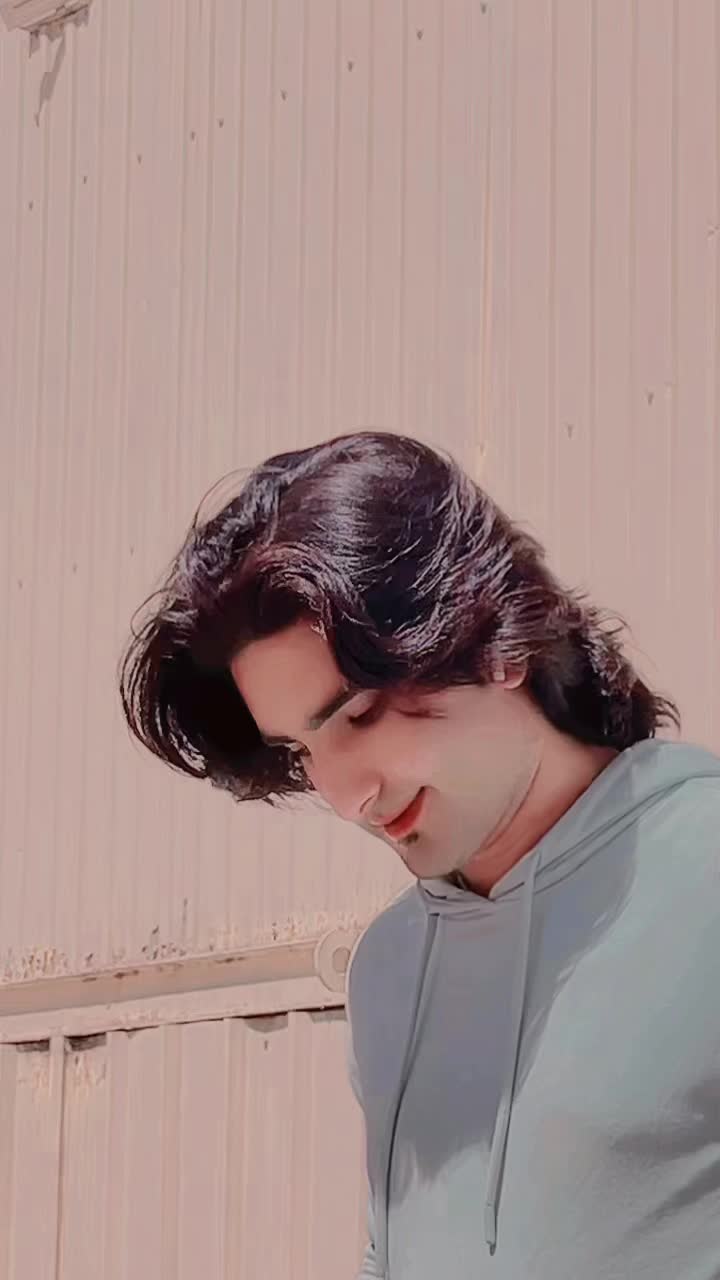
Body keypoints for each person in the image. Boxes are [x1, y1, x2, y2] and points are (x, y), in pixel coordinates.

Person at [119, 430, 720, 1279]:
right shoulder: (390, 968)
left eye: (360, 715)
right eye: (300, 751)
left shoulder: (703, 873)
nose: (344, 796)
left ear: (497, 642)